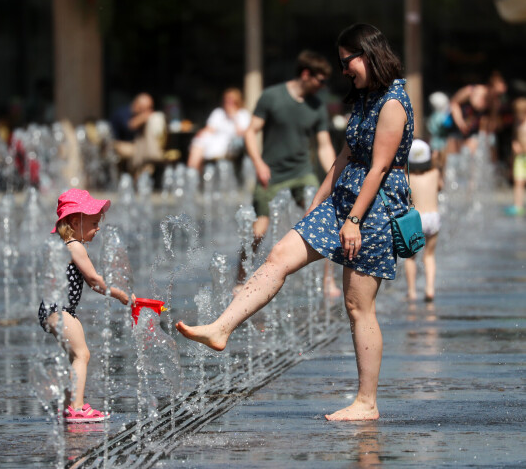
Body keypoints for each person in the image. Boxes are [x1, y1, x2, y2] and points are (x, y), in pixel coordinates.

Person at [177, 23, 414, 422]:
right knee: (278, 255)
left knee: (358, 306)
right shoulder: (364, 98)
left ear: (368, 53)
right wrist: (316, 207)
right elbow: (341, 158)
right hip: (342, 199)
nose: (343, 71)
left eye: (347, 62)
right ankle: (221, 327)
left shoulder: (393, 101)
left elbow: (378, 168)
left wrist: (353, 220)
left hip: (373, 208)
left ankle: (366, 402)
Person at [239, 49, 340, 297]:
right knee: (258, 231)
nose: (323, 86)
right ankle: (240, 277)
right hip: (271, 173)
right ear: (306, 74)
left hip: (302, 172)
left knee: (321, 224)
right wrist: (258, 163)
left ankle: (328, 282)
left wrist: (335, 175)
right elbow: (251, 132)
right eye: (321, 80)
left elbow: (324, 145)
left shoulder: (317, 106)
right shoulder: (272, 97)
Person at [38, 189, 134, 423]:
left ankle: (71, 403)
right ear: (74, 221)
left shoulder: (63, 245)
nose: (97, 228)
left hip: (59, 310)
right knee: (82, 354)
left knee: (77, 356)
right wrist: (120, 294)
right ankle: (77, 408)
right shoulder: (74, 246)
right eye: (93, 223)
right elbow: (94, 280)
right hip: (58, 310)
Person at [404, 139, 442, 302]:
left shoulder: (406, 177)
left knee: (411, 257)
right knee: (429, 255)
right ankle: (430, 289)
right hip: (433, 218)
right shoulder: (435, 174)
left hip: (415, 219)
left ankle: (412, 291)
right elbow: (440, 186)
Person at [187, 88, 251, 172]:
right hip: (213, 140)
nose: (228, 103)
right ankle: (193, 173)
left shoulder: (243, 114)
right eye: (226, 101)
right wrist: (201, 133)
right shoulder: (218, 112)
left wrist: (234, 118)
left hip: (231, 143)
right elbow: (210, 129)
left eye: (231, 101)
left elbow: (242, 134)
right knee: (198, 143)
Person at [110, 93, 166, 177]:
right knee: (140, 153)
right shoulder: (123, 112)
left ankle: (141, 178)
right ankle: (134, 177)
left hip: (136, 145)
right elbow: (129, 126)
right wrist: (144, 117)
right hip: (118, 144)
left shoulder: (140, 116)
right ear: (137, 105)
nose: (149, 111)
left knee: (146, 155)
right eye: (146, 108)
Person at [505, 96, 526, 216]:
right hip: (519, 158)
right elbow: (516, 138)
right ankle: (518, 205)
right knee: (518, 182)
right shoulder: (517, 125)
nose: (518, 116)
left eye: (520, 113)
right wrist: (515, 145)